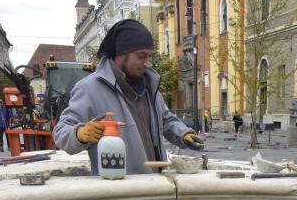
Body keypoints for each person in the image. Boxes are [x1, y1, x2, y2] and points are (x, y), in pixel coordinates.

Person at [54, 19, 204, 174]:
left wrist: (184, 133)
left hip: (156, 185)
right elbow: (61, 132)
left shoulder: (148, 86)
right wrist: (80, 134)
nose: (148, 64)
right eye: (141, 56)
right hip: (122, 192)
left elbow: (165, 119)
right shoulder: (89, 89)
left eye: (149, 56)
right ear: (121, 54)